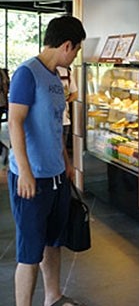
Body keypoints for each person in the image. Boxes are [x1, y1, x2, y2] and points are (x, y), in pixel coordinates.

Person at [7, 15, 86, 306]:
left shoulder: (55, 77)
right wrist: (25, 172)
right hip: (32, 179)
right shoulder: (26, 73)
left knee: (54, 242)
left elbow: (55, 125)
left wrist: (66, 161)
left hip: (56, 176)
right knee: (30, 252)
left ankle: (53, 297)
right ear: (66, 45)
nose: (76, 56)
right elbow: (15, 122)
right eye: (76, 49)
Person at [56, 66, 78, 153]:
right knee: (61, 151)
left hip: (48, 120)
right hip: (65, 119)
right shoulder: (67, 72)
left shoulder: (43, 71)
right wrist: (65, 101)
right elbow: (75, 95)